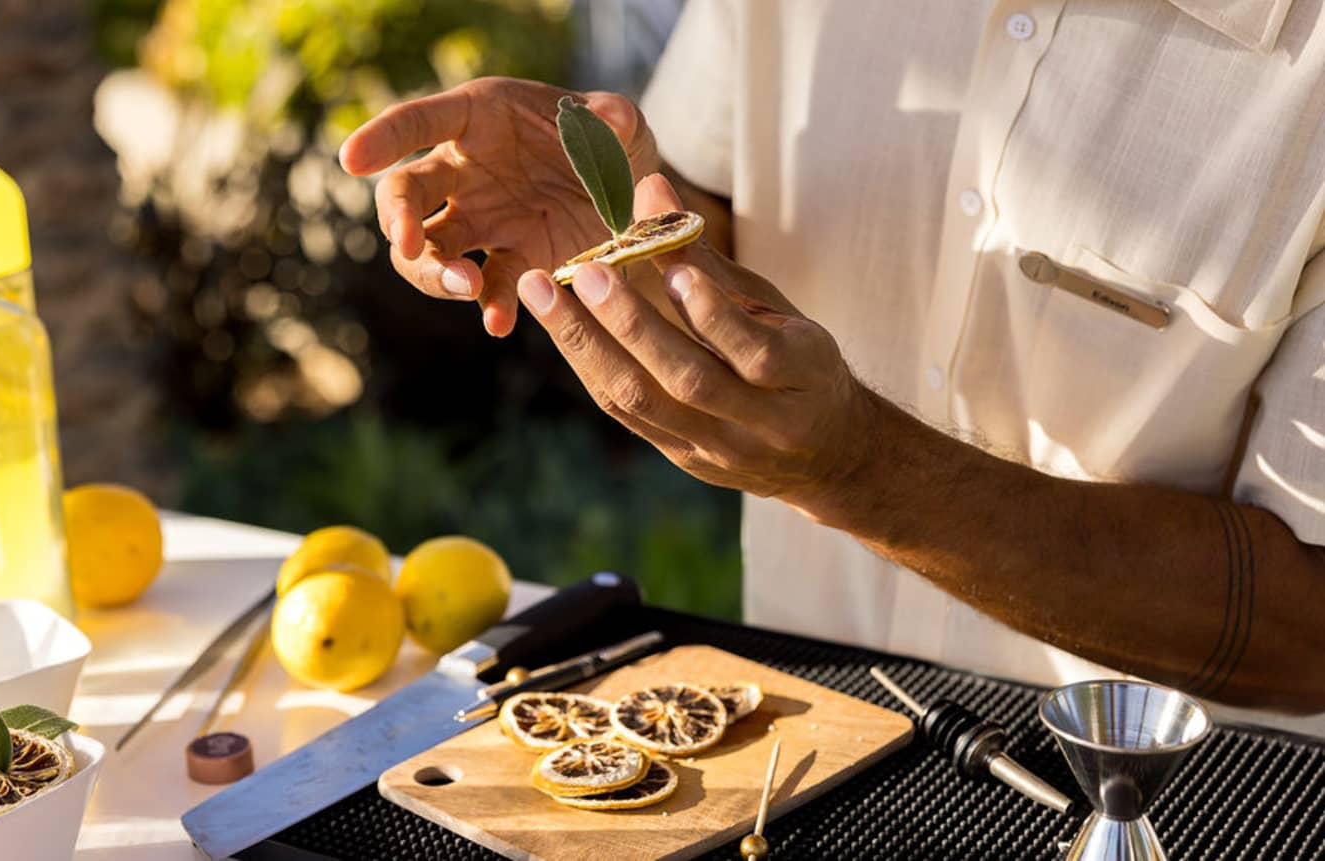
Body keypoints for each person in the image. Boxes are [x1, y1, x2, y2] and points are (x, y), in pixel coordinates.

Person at [340, 1, 1325, 732]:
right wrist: (609, 217)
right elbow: (707, 210)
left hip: (1176, 811)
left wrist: (860, 473)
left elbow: (1309, 629)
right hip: (804, 743)